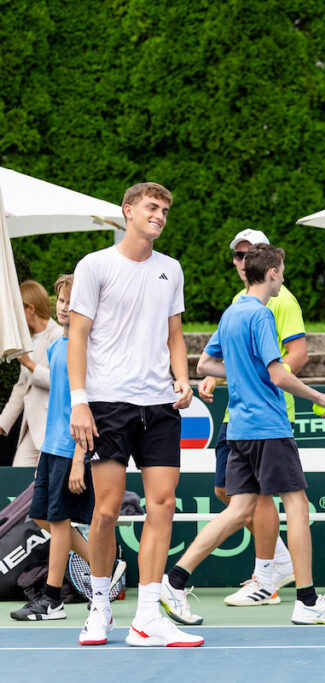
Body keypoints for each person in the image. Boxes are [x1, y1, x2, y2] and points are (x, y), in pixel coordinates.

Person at [161, 243, 325, 627]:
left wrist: (241, 374)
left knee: (238, 510)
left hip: (240, 431)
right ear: (270, 274)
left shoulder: (232, 314)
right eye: (281, 271)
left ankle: (174, 580)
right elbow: (278, 374)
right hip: (268, 427)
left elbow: (205, 364)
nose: (283, 277)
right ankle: (308, 601)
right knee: (297, 508)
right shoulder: (262, 316)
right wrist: (319, 395)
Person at [68, 182, 202, 647]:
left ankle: (147, 616)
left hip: (159, 405)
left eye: (165, 209)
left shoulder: (171, 269)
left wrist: (181, 378)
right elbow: (78, 336)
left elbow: (175, 335)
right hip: (107, 403)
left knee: (162, 504)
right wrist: (79, 400)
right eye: (151, 207)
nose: (160, 215)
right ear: (128, 211)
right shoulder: (95, 266)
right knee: (105, 511)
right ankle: (100, 605)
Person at [197, 228, 308, 606]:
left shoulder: (282, 301)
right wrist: (219, 375)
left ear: (266, 263)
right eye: (237, 256)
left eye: (248, 255)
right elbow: (223, 359)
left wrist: (266, 379)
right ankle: (278, 563)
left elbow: (295, 356)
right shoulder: (239, 303)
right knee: (228, 493)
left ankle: (267, 577)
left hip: (269, 412)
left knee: (262, 499)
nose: (242, 262)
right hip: (239, 413)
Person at [10, 275, 125, 621]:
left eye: (72, 303)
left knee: (59, 522)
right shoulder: (56, 347)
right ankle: (105, 565)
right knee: (44, 516)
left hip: (72, 450)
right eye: (61, 301)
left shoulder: (88, 349)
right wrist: (45, 452)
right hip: (51, 448)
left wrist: (79, 458)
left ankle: (52, 599)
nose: (64, 308)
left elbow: (87, 407)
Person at [0, 281, 63, 467]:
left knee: (46, 485)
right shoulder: (28, 341)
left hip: (52, 426)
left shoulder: (59, 335)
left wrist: (30, 364)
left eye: (19, 309)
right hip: (31, 427)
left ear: (30, 309)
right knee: (18, 477)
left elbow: (61, 381)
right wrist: (2, 424)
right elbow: (21, 387)